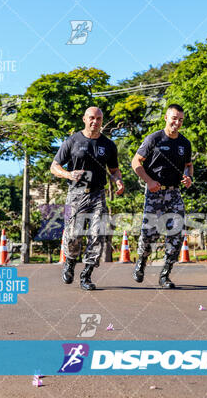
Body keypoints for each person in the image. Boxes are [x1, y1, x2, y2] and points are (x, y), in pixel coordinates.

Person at [50, 107, 124, 290]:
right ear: (84, 119)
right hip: (76, 194)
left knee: (97, 235)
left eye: (99, 118)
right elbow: (54, 166)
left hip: (98, 193)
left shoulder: (108, 145)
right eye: (91, 118)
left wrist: (118, 181)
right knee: (73, 235)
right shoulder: (73, 141)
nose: (95, 122)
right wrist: (68, 174)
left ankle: (87, 275)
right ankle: (70, 261)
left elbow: (114, 170)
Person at [131, 104, 193, 288]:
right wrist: (148, 181)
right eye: (174, 118)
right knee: (149, 234)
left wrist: (189, 177)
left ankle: (165, 274)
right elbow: (136, 161)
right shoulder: (154, 139)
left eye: (181, 119)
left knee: (177, 231)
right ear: (166, 118)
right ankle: (141, 262)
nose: (177, 122)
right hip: (155, 192)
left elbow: (188, 165)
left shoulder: (184, 143)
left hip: (174, 192)